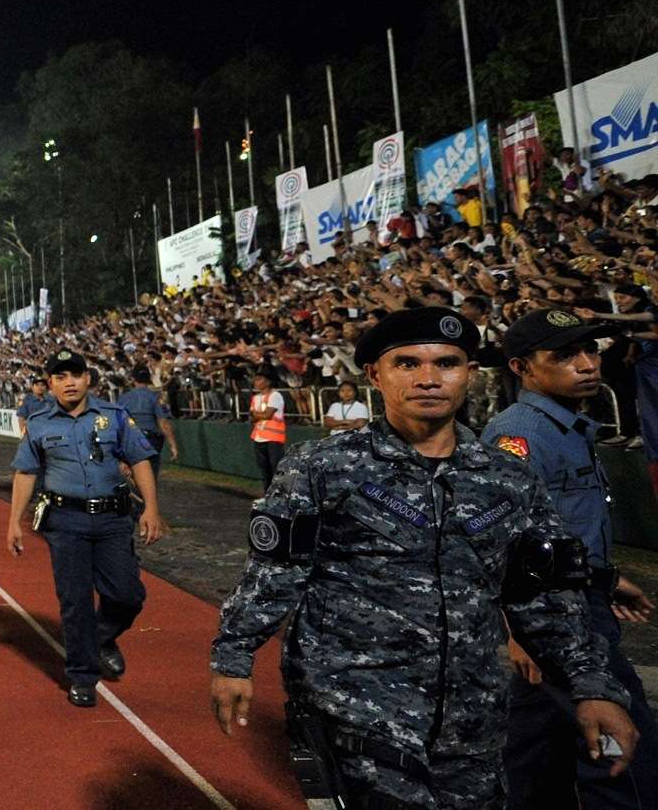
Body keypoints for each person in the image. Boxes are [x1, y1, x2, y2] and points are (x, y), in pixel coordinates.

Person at [209, 307, 638, 808]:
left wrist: (592, 686)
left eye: (447, 363)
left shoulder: (509, 477)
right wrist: (233, 657)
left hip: (471, 709)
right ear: (375, 375)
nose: (429, 379)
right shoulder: (322, 467)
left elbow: (541, 595)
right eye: (407, 364)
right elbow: (275, 572)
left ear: (469, 374)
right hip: (356, 700)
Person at [483, 309, 658, 808]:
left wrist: (607, 577)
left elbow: (564, 527)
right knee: (625, 750)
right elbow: (502, 541)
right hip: (561, 617)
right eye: (563, 355)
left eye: (589, 350)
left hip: (580, 598)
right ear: (522, 368)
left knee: (536, 748)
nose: (585, 364)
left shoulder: (564, 424)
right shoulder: (520, 437)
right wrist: (519, 633)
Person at [4, 349, 167, 707]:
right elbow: (26, 472)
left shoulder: (114, 416)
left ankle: (101, 638)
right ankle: (82, 675)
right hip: (66, 522)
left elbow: (140, 459)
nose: (69, 383)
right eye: (60, 377)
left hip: (113, 519)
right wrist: (14, 521)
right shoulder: (41, 423)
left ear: (88, 379)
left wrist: (151, 508)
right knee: (75, 601)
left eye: (75, 375)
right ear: (50, 384)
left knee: (128, 594)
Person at [116, 367, 179, 476]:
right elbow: (163, 423)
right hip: (150, 441)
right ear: (149, 379)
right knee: (150, 478)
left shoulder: (124, 398)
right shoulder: (154, 397)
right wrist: (173, 445)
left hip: (131, 440)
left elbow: (117, 424)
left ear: (133, 379)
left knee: (134, 479)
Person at [248, 368, 288, 487]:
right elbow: (252, 417)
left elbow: (268, 415)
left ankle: (280, 495)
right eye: (255, 380)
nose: (256, 382)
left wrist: (257, 415)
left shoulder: (275, 395)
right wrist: (259, 415)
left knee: (275, 468)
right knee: (264, 469)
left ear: (268, 382)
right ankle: (268, 495)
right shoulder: (255, 398)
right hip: (259, 436)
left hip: (273, 438)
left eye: (259, 379)